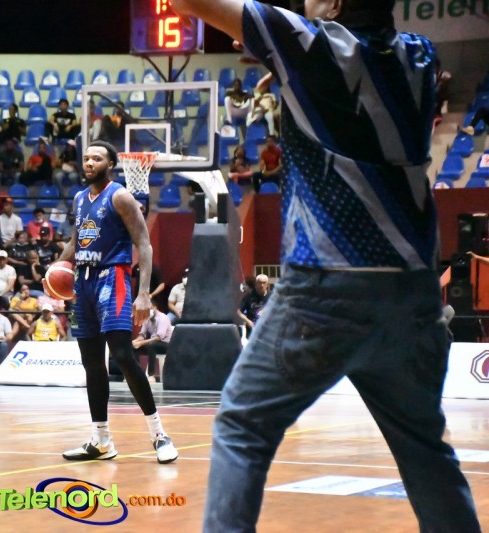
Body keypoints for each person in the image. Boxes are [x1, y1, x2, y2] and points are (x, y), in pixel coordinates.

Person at [170, 0, 482, 531]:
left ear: (335, 3)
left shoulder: (307, 43)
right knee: (426, 450)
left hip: (327, 284)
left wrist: (284, 58)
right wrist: (287, 71)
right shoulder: (421, 58)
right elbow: (358, 90)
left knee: (243, 427)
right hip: (412, 291)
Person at [57, 140, 178, 464]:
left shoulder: (120, 196)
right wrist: (56, 269)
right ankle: (101, 441)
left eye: (96, 158)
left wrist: (143, 293)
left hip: (113, 278)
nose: (89, 163)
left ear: (110, 164)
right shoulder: (79, 199)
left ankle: (159, 435)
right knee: (91, 363)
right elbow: (76, 241)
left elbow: (144, 244)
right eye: (86, 158)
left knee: (123, 355)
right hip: (82, 283)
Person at [132, 305, 173, 382]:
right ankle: (136, 374)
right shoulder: (147, 318)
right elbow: (142, 334)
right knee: (135, 346)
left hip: (165, 344)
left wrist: (142, 343)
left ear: (154, 308)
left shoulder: (163, 318)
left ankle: (151, 375)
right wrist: (136, 341)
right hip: (153, 342)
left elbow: (158, 337)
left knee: (152, 345)